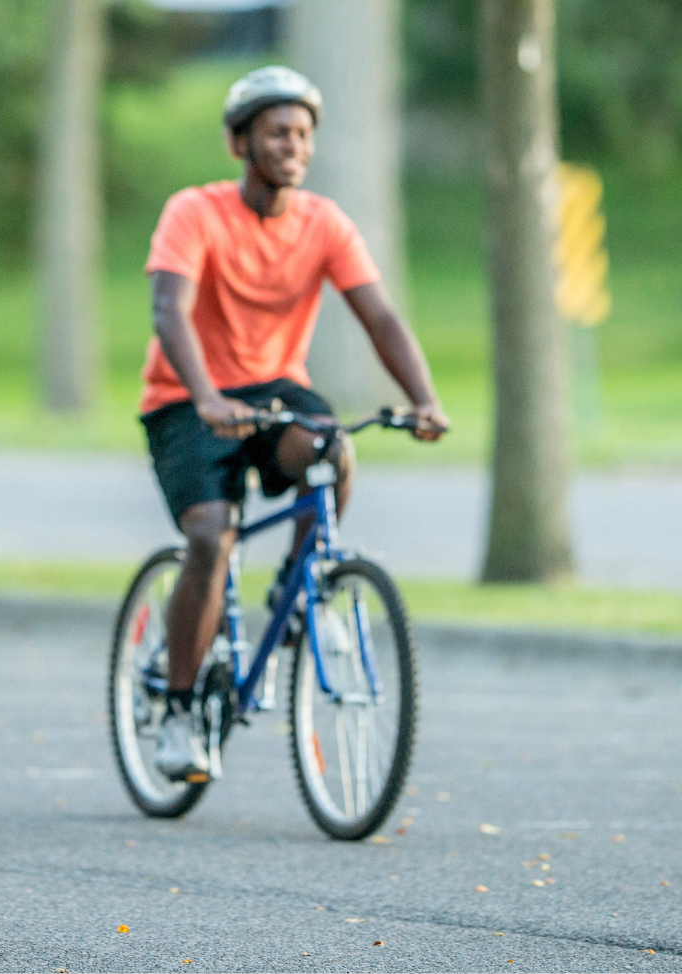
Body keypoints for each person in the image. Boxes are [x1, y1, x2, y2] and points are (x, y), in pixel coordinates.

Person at [142, 66, 449, 780]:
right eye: (278, 131)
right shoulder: (194, 211)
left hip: (276, 391)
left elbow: (380, 317)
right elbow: (169, 311)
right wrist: (208, 396)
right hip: (185, 397)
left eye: (304, 133)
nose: (294, 145)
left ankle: (299, 590)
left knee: (330, 448)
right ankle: (182, 713)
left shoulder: (323, 222)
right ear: (239, 141)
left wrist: (424, 398)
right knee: (211, 538)